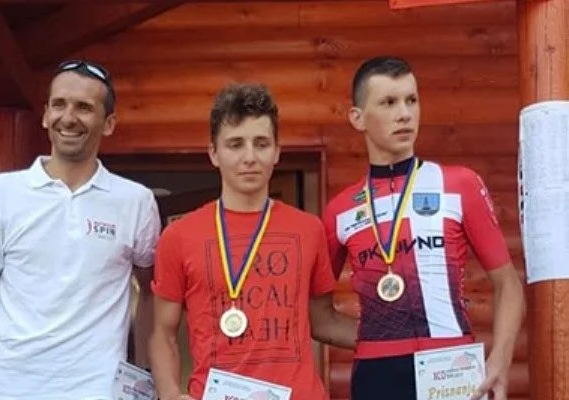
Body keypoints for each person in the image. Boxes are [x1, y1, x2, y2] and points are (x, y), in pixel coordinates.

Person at [0, 60, 161, 399]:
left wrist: (142, 382)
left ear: (108, 123)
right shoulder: (0, 193)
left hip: (98, 392)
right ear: (46, 115)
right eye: (59, 104)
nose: (69, 117)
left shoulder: (135, 201)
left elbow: (151, 293)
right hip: (7, 391)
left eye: (84, 107)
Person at [322, 56, 525, 400]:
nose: (404, 113)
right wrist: (379, 338)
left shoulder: (458, 184)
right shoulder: (340, 209)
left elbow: (508, 284)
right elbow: (318, 316)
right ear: (357, 118)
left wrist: (501, 360)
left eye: (411, 100)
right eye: (389, 102)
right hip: (377, 376)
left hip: (452, 368)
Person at [149, 83, 356, 400]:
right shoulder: (178, 236)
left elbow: (322, 321)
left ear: (277, 151)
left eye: (261, 144)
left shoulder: (309, 229)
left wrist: (403, 340)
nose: (250, 157)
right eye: (235, 144)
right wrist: (170, 394)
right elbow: (163, 334)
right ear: (214, 153)